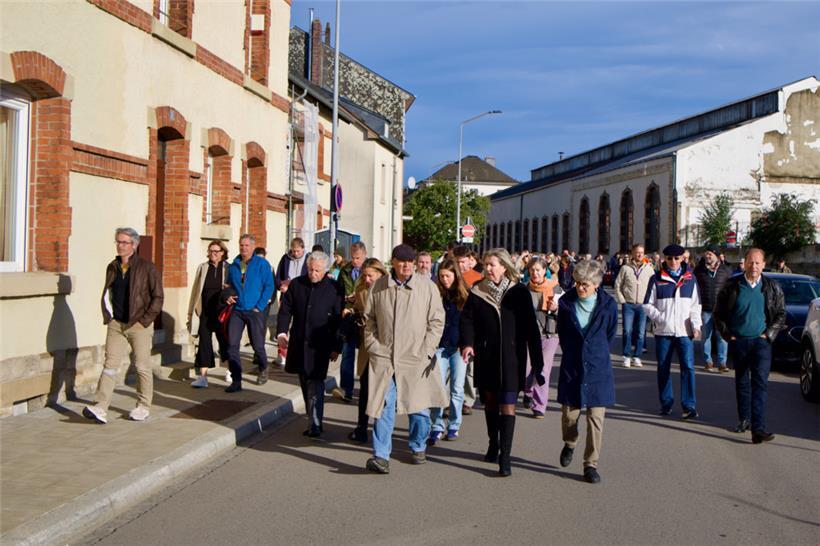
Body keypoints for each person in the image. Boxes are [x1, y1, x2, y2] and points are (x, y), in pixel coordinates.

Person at [461, 248, 545, 477]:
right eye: (486, 264)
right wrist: (468, 343)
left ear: (504, 267)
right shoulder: (478, 291)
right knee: (489, 402)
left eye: (492, 264)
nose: (487, 268)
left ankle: (505, 457)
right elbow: (467, 320)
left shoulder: (518, 292)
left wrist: (538, 363)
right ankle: (493, 442)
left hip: (511, 358)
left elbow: (530, 329)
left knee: (508, 404)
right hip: (487, 356)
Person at [363, 244, 446, 474]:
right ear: (393, 262)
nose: (407, 265)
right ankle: (381, 456)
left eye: (410, 261)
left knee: (417, 407)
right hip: (385, 357)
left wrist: (427, 350)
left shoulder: (427, 288)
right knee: (384, 405)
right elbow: (369, 320)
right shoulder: (380, 287)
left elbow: (437, 321)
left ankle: (418, 445)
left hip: (416, 357)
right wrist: (373, 346)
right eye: (402, 261)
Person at [83, 228, 163, 424]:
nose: (120, 245)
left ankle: (143, 406)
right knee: (110, 366)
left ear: (134, 245)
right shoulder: (113, 267)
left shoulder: (147, 267)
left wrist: (145, 320)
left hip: (139, 324)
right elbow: (108, 293)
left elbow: (158, 297)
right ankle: (101, 407)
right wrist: (109, 316)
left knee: (142, 366)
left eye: (124, 242)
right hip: (116, 324)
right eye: (118, 242)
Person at [714, 248, 786, 444]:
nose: (753, 266)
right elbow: (718, 313)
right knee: (742, 382)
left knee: (760, 384)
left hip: (761, 342)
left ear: (763, 265)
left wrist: (768, 334)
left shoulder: (772, 286)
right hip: (739, 341)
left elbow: (780, 313)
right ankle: (744, 419)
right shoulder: (732, 285)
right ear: (744, 263)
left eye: (757, 263)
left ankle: (758, 428)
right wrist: (729, 335)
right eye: (750, 262)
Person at [556, 259, 618, 484]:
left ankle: (590, 464)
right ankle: (570, 442)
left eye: (585, 285)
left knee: (595, 418)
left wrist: (594, 350)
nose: (580, 288)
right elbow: (562, 332)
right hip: (573, 365)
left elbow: (609, 333)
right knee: (569, 415)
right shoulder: (565, 303)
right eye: (578, 283)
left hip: (597, 366)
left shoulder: (608, 305)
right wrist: (574, 351)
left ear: (596, 285)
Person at [276, 252, 344, 438]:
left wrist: (337, 346)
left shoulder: (334, 288)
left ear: (325, 270)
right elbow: (285, 310)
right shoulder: (297, 284)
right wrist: (282, 332)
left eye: (317, 270)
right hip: (299, 342)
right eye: (310, 269)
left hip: (321, 344)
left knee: (315, 382)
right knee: (305, 381)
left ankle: (315, 423)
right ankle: (312, 416)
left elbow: (338, 319)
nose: (313, 273)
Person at [643, 244, 702, 419]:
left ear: (683, 258)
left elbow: (695, 305)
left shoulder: (690, 279)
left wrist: (696, 325)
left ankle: (689, 406)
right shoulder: (656, 278)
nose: (673, 262)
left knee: (688, 368)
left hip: (684, 331)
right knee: (663, 368)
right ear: (665, 259)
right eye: (670, 258)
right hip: (664, 332)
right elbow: (647, 304)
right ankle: (666, 403)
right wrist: (661, 318)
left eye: (677, 258)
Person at [224, 234, 274, 392]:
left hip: (255, 310)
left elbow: (269, 286)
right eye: (241, 245)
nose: (243, 248)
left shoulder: (262, 264)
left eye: (246, 245)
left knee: (257, 344)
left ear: (253, 247)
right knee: (232, 346)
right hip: (237, 310)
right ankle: (236, 380)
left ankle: (263, 367)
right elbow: (228, 286)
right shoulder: (234, 265)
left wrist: (259, 306)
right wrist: (227, 296)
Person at [347, 258, 388, 443]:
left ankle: (382, 431)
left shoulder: (390, 290)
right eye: (365, 275)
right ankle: (361, 427)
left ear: (380, 274)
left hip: (386, 346)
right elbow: (357, 309)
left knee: (384, 391)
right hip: (366, 345)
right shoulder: (361, 290)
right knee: (364, 388)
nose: (367, 279)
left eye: (370, 275)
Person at [428, 259, 469, 444]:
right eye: (442, 276)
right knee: (437, 388)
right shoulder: (436, 294)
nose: (445, 279)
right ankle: (437, 426)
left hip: (458, 348)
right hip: (439, 346)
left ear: (455, 276)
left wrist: (468, 343)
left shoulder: (465, 296)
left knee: (457, 388)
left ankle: (454, 424)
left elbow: (470, 323)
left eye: (448, 276)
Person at [522, 256, 562, 418]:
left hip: (549, 334)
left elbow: (566, 311)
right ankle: (528, 391)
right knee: (526, 370)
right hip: (528, 335)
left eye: (538, 269)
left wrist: (557, 308)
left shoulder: (555, 288)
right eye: (532, 270)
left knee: (542, 371)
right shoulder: (524, 289)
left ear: (545, 271)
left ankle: (539, 406)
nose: (535, 273)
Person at [186, 240, 230, 388]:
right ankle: (203, 377)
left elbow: (234, 288)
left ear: (222, 253)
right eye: (211, 251)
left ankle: (230, 370)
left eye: (216, 251)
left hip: (221, 312)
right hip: (204, 311)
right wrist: (191, 311)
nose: (213, 254)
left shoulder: (228, 269)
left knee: (224, 341)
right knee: (204, 342)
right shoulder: (203, 267)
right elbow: (195, 290)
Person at [334, 241, 368, 403]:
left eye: (358, 258)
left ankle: (367, 390)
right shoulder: (344, 271)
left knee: (367, 356)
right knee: (347, 353)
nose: (355, 261)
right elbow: (337, 292)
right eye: (353, 258)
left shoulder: (371, 270)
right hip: (349, 317)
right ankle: (346, 390)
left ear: (365, 255)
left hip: (367, 319)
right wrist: (345, 300)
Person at [452, 244, 482, 416]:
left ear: (469, 260)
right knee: (451, 365)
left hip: (472, 326)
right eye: (457, 262)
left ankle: (468, 400)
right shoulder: (452, 277)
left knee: (469, 366)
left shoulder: (477, 277)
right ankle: (450, 399)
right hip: (455, 324)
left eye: (462, 261)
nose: (460, 265)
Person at [613, 244, 654, 368]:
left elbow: (653, 287)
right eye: (637, 252)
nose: (639, 255)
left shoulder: (649, 269)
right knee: (627, 331)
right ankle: (626, 356)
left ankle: (637, 356)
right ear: (632, 254)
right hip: (629, 305)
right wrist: (622, 300)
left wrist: (649, 302)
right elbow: (617, 285)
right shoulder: (625, 268)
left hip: (642, 305)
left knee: (641, 333)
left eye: (641, 252)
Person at [694, 244, 733, 372]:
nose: (707, 255)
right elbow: (695, 289)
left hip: (721, 310)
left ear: (716, 255)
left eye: (710, 253)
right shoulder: (699, 270)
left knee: (722, 336)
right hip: (705, 309)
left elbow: (731, 290)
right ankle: (708, 362)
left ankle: (722, 363)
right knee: (706, 337)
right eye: (706, 253)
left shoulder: (726, 270)